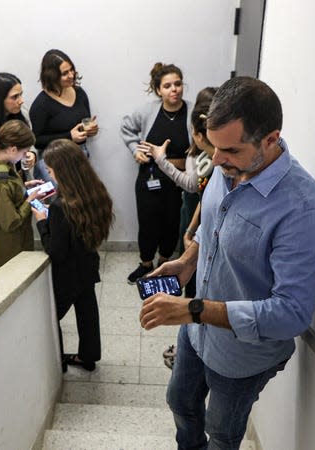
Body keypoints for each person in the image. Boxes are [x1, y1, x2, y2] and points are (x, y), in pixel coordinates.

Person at [139, 77, 315, 449]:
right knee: (179, 401)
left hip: (242, 356)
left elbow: (291, 314)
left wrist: (194, 308)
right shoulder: (229, 165)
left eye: (228, 150)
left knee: (223, 434)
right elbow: (213, 225)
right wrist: (186, 262)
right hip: (196, 332)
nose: (215, 160)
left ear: (270, 140)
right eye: (213, 147)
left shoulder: (302, 211)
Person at [33, 139, 113, 372]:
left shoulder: (60, 207)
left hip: (67, 273)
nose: (49, 175)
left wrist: (42, 221)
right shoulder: (95, 190)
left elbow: (55, 251)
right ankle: (89, 357)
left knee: (50, 316)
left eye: (50, 171)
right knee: (87, 312)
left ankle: (57, 364)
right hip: (88, 264)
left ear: (62, 171)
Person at [138, 87, 217, 299]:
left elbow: (192, 185)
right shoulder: (204, 156)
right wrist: (190, 230)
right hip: (195, 215)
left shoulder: (213, 163)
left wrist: (161, 160)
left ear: (198, 134)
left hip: (204, 220)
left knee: (196, 276)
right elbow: (204, 196)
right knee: (189, 263)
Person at [120, 62, 194, 284]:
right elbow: (126, 127)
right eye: (168, 86)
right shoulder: (147, 111)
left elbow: (202, 138)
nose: (174, 90)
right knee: (148, 221)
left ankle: (164, 261)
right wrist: (135, 150)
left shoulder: (191, 111)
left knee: (172, 221)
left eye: (178, 84)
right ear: (158, 90)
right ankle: (145, 264)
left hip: (179, 180)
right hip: (149, 177)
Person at [0, 120, 43, 267]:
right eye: (25, 152)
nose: (26, 156)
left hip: (18, 236)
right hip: (12, 243)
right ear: (13, 149)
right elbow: (10, 222)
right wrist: (30, 200)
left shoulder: (3, 164)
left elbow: (9, 189)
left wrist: (24, 186)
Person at [29, 49, 98, 181]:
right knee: (62, 201)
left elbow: (83, 123)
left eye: (72, 70)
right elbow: (36, 141)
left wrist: (89, 130)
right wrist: (69, 136)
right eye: (65, 73)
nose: (71, 75)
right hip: (54, 164)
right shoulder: (41, 105)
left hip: (79, 157)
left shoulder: (80, 93)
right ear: (52, 76)